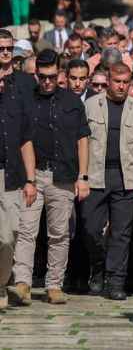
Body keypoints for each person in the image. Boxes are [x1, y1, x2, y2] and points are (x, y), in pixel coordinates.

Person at [13, 49, 90, 306]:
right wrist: (27, 178)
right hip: (33, 175)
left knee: (59, 233)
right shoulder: (26, 100)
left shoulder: (72, 101)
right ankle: (22, 283)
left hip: (63, 175)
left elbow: (83, 139)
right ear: (36, 74)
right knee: (26, 230)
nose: (47, 81)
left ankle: (54, 284)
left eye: (52, 76)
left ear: (60, 74)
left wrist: (83, 176)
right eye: (42, 76)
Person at [81, 63, 133, 300]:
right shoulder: (91, 106)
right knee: (90, 229)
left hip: (126, 177)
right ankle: (98, 266)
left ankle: (116, 281)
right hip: (95, 175)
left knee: (121, 232)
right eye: (117, 81)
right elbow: (80, 144)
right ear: (108, 81)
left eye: (125, 82)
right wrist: (81, 177)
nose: (121, 86)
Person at [0, 69, 37, 311]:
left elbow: (26, 141)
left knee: (9, 236)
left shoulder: (16, 102)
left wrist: (30, 180)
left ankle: (1, 282)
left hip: (10, 175)